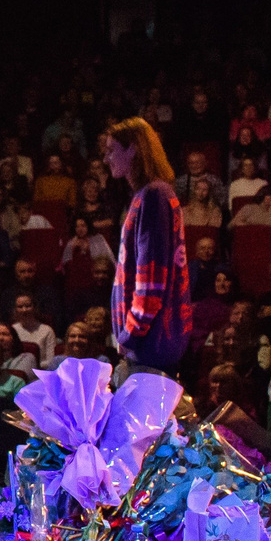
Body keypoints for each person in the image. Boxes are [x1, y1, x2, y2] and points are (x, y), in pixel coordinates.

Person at [103, 118, 191, 387]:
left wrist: (129, 335)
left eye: (111, 150)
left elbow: (152, 280)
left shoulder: (153, 196)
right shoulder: (148, 195)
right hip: (148, 343)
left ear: (133, 149)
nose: (106, 158)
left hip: (152, 344)